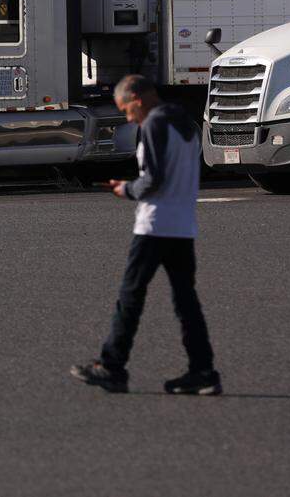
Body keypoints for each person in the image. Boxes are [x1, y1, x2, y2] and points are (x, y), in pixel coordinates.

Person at [70, 74, 222, 395]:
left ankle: (112, 367)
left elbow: (153, 179)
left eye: (126, 110)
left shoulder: (153, 124)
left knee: (130, 297)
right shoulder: (186, 125)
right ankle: (203, 370)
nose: (128, 118)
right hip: (182, 225)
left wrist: (125, 189)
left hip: (154, 224)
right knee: (186, 302)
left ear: (137, 100)